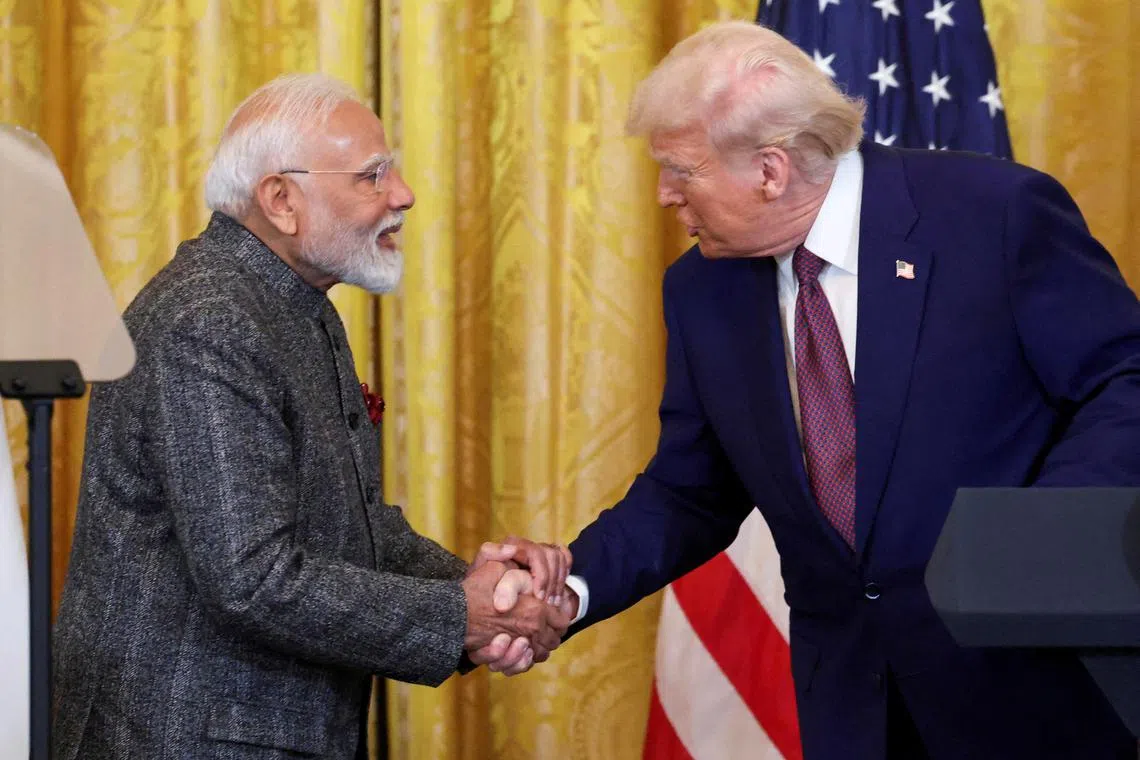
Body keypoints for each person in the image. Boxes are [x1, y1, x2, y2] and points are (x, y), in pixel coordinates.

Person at [544, 21, 1140, 760]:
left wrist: (1038, 538)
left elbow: (1124, 379)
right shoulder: (702, 289)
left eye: (679, 169)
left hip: (1027, 690)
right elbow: (689, 491)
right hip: (852, 708)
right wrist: (569, 590)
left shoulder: (994, 216)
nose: (665, 195)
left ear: (769, 170)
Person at [52, 73, 570, 760]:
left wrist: (484, 590)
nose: (404, 195)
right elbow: (252, 578)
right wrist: (461, 615)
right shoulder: (209, 321)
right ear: (281, 201)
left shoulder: (292, 304)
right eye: (372, 176)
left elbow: (349, 527)